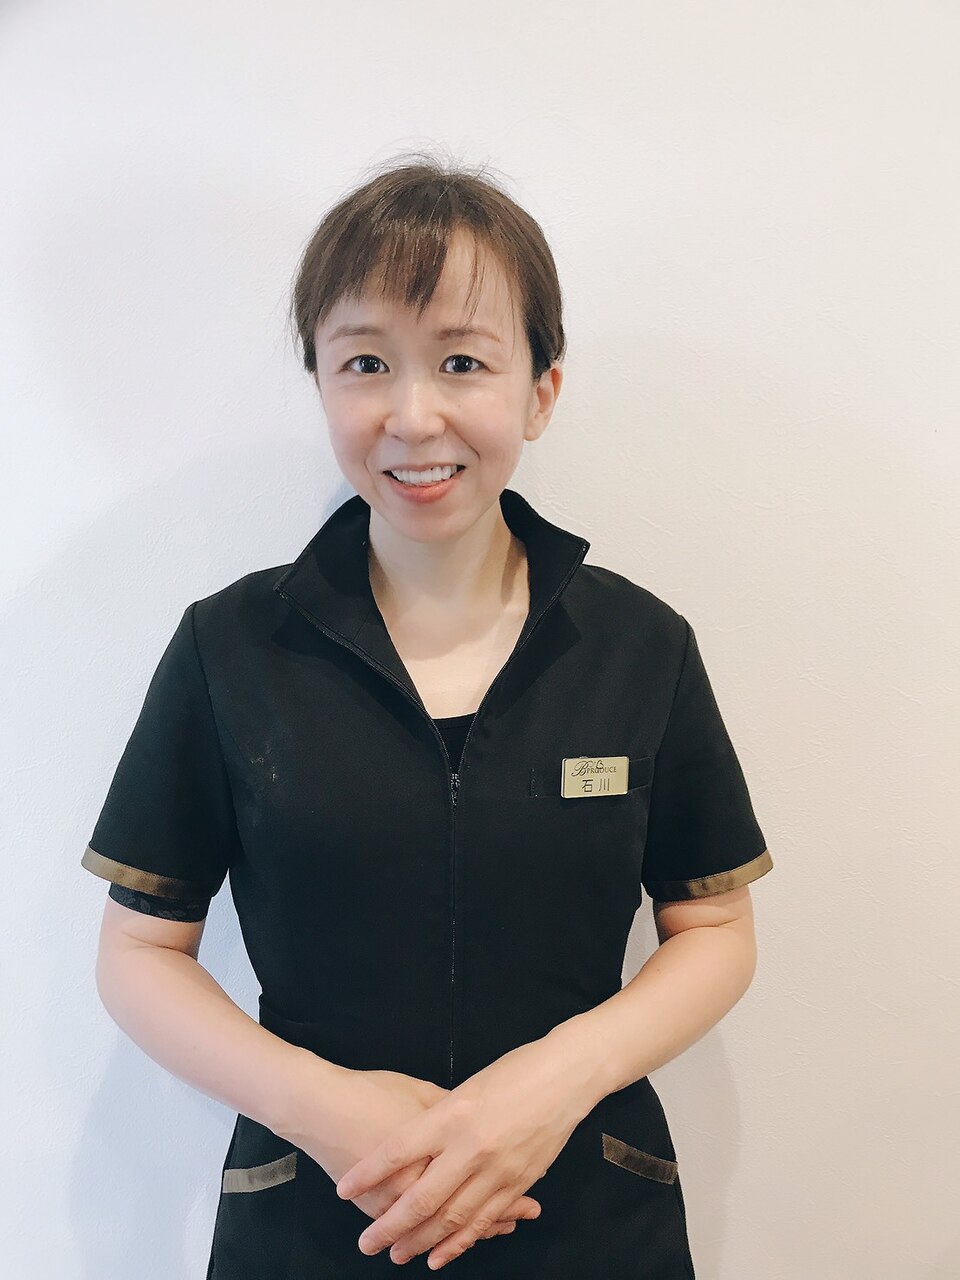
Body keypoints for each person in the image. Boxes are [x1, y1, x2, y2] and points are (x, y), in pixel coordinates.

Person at [83, 154, 773, 1279]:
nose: (414, 415)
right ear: (320, 382)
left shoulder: (640, 646)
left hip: (583, 1212)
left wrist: (549, 1084)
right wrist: (323, 1107)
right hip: (321, 1212)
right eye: (367, 362)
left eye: (462, 361)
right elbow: (138, 950)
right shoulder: (228, 647)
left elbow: (716, 927)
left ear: (541, 390)